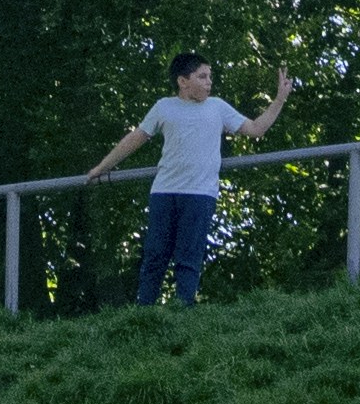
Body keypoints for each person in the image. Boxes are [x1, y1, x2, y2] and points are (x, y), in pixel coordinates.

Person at [80, 51, 291, 310]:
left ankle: (183, 313)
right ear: (183, 81)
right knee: (155, 256)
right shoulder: (164, 107)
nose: (209, 82)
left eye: (210, 76)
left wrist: (280, 99)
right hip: (164, 192)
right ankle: (142, 313)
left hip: (200, 194)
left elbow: (256, 129)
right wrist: (102, 167)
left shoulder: (218, 107)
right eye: (202, 76)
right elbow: (136, 138)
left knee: (189, 258)